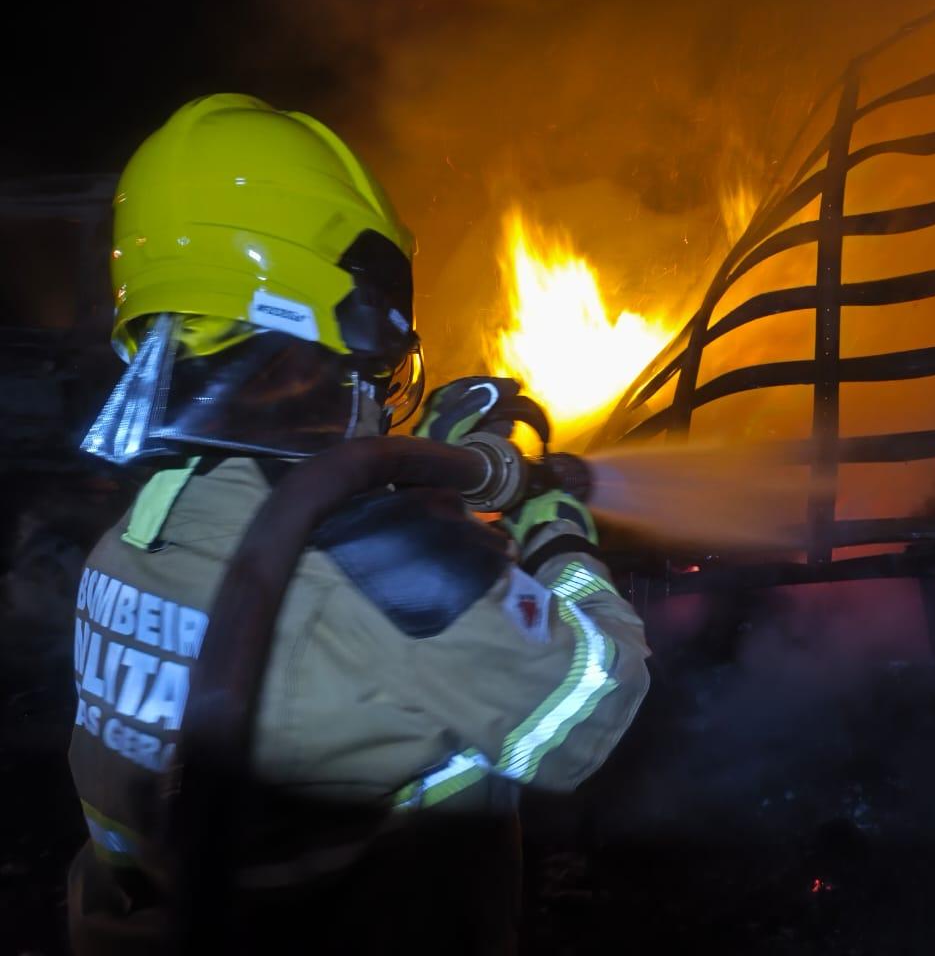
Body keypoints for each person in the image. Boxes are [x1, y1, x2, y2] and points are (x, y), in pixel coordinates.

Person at [66, 93, 650, 954]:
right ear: (337, 299)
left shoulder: (147, 517)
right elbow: (585, 714)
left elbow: (323, 615)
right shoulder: (375, 551)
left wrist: (431, 476)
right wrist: (557, 534)